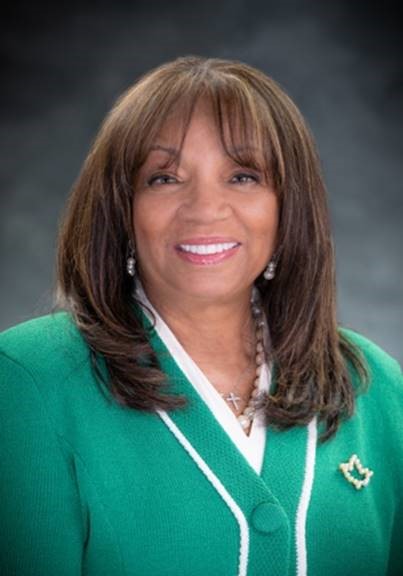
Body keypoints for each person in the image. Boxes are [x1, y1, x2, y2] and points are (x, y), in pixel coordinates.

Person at [0, 55, 401, 576]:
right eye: (164, 178)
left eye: (243, 175)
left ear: (287, 207)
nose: (205, 208)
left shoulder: (374, 388)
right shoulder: (27, 381)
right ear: (122, 209)